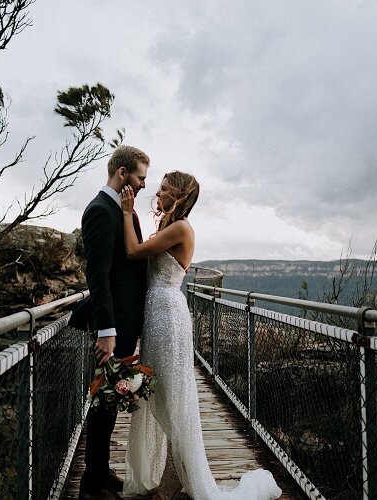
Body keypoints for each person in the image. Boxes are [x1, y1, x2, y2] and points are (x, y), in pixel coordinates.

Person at [119, 172, 282, 500]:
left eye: (165, 188)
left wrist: (126, 212)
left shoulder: (181, 228)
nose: (159, 192)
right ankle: (171, 478)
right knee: (160, 395)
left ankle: (184, 477)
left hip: (168, 316)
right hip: (157, 314)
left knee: (168, 399)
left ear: (178, 195)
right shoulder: (169, 227)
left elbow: (134, 252)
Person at [71, 145, 150, 500]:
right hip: (113, 328)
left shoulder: (122, 210)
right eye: (140, 177)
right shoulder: (101, 211)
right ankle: (92, 484)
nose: (144, 184)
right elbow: (98, 275)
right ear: (122, 174)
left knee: (111, 400)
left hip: (125, 323)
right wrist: (106, 332)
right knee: (104, 402)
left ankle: (100, 472)